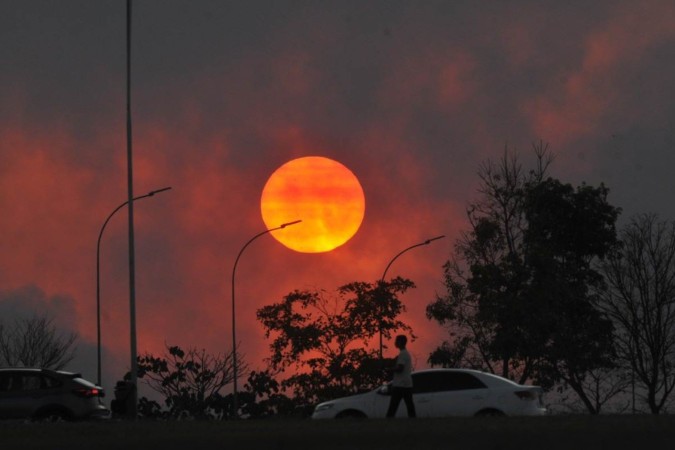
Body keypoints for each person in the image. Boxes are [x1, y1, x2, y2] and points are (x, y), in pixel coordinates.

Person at [386, 334, 416, 418]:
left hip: (400, 384)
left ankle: (388, 420)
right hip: (406, 384)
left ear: (400, 342)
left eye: (396, 341)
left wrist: (390, 369)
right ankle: (413, 420)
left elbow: (400, 368)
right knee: (409, 405)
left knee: (393, 406)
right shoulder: (405, 353)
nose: (395, 343)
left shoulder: (403, 354)